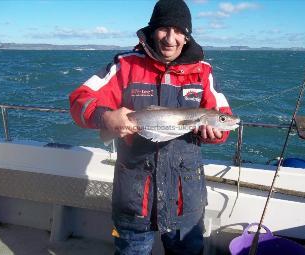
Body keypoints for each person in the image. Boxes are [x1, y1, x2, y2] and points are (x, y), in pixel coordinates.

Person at [70, 0, 232, 254]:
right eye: (164, 29)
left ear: (187, 36)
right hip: (134, 199)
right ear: (152, 29)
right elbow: (80, 99)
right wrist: (106, 119)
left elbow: (223, 116)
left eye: (179, 31)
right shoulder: (125, 65)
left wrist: (216, 133)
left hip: (184, 200)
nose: (170, 38)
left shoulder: (202, 72)